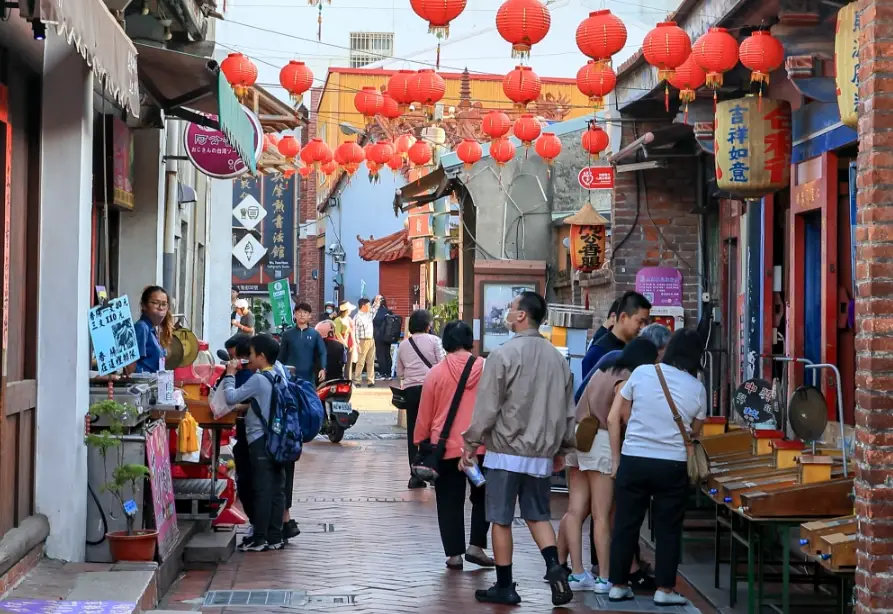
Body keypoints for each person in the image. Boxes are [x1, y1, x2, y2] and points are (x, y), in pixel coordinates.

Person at [461, 291, 575, 607]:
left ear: (522, 315)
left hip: (505, 451)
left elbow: (487, 407)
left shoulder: (502, 355)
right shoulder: (557, 359)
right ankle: (555, 566)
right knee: (538, 515)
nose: (508, 313)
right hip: (541, 454)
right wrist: (562, 449)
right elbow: (568, 410)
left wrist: (471, 443)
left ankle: (504, 585)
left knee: (501, 519)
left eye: (511, 309)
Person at [607, 329, 706, 606]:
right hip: (672, 465)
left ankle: (617, 584)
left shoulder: (641, 374)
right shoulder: (697, 388)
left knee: (626, 524)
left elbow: (614, 418)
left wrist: (616, 460)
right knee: (668, 529)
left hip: (634, 459)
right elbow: (695, 434)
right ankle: (664, 589)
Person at [558, 338, 659, 593]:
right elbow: (618, 418)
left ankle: (577, 573)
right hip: (601, 442)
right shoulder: (626, 379)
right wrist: (617, 459)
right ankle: (604, 577)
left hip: (579, 437)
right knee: (602, 514)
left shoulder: (605, 369)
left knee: (575, 510)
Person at [414, 321, 494, 571]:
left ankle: (454, 554)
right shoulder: (487, 368)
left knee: (449, 500)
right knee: (484, 497)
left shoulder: (436, 373)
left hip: (445, 446)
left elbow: (425, 412)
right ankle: (476, 546)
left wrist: (421, 441)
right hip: (481, 446)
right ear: (471, 340)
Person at [221, 334, 286, 552]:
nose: (247, 358)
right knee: (277, 489)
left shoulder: (259, 378)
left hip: (260, 440)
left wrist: (230, 374)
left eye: (250, 354)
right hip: (278, 439)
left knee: (262, 489)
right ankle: (275, 536)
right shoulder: (279, 374)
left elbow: (230, 397)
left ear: (261, 356)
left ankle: (259, 538)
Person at [396, 309, 445, 489]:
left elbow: (400, 372)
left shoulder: (403, 345)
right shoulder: (435, 341)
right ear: (428, 325)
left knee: (413, 433)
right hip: (431, 389)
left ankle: (414, 475)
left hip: (411, 392)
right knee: (434, 430)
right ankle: (431, 470)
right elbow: (442, 365)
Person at [578, 292, 652, 402]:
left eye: (646, 322)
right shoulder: (598, 352)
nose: (643, 327)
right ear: (623, 317)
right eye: (640, 321)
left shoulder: (635, 350)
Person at [278, 302, 327, 384]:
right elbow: (281, 355)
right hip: (290, 375)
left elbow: (322, 352)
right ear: (295, 315)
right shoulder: (287, 334)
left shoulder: (315, 334)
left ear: (310, 315)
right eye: (299, 312)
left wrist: (323, 368)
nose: (302, 315)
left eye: (305, 312)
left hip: (309, 375)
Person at [129, 285, 173, 374]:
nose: (160, 307)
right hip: (141, 385)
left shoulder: (153, 330)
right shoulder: (142, 327)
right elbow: (130, 365)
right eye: (155, 303)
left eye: (164, 304)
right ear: (144, 306)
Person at [353, 296, 382, 387]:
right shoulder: (357, 317)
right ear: (363, 306)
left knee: (371, 361)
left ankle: (370, 381)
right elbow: (355, 332)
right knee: (360, 362)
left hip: (371, 340)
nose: (370, 307)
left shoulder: (368, 314)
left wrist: (377, 301)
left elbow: (375, 309)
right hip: (362, 341)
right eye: (368, 305)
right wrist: (357, 343)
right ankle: (357, 380)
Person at [373, 297, 394, 380]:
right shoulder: (388, 311)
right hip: (388, 336)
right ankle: (388, 374)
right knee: (387, 354)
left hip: (379, 336)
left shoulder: (377, 312)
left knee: (380, 355)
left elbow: (374, 322)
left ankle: (382, 373)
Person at [334, 302, 357, 380]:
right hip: (342, 344)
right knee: (341, 363)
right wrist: (344, 344)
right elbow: (337, 333)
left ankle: (348, 380)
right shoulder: (338, 320)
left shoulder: (349, 319)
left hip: (350, 343)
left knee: (349, 364)